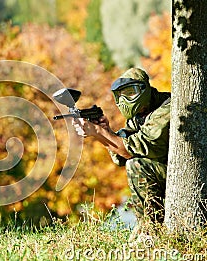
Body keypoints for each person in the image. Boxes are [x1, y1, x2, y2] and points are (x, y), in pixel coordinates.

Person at [72, 68, 170, 233]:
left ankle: (150, 231)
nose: (125, 99)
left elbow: (130, 151)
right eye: (120, 95)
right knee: (133, 163)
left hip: (184, 176)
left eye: (131, 92)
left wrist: (98, 132)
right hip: (167, 173)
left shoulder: (166, 109)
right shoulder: (140, 115)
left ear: (145, 88)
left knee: (137, 165)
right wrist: (106, 131)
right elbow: (120, 157)